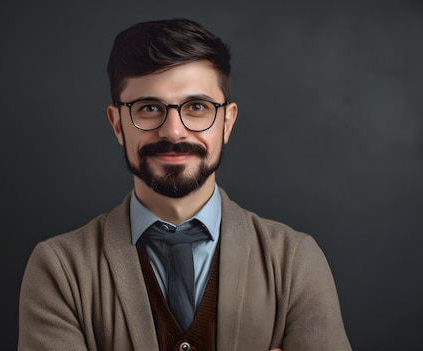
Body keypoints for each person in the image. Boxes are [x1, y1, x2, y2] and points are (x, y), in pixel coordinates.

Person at [18, 18, 352, 351]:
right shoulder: (60, 269)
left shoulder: (294, 261)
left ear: (227, 122)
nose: (173, 131)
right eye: (148, 108)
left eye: (196, 107)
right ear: (117, 124)